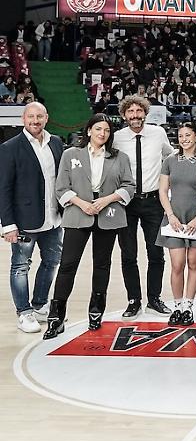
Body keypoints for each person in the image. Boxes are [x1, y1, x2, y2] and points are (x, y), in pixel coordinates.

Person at [43, 114, 136, 339]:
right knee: (67, 265)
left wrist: (107, 199)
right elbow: (61, 188)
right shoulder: (70, 154)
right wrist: (82, 203)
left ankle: (96, 312)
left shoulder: (119, 157)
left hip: (108, 214)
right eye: (98, 129)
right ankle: (56, 318)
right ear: (88, 131)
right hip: (78, 213)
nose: (102, 133)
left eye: (106, 130)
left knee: (102, 265)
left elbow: (129, 186)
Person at [0, 102, 64, 333]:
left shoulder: (56, 142)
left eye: (39, 116)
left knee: (51, 262)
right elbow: (4, 189)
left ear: (46, 118)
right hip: (25, 221)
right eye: (31, 117)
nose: (35, 121)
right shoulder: (10, 147)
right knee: (20, 266)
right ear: (23, 119)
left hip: (53, 219)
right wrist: (8, 225)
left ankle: (38, 305)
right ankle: (24, 312)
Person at [114, 95, 174, 318]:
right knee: (128, 254)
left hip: (153, 201)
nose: (135, 115)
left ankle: (154, 299)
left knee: (156, 253)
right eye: (131, 112)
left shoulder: (158, 133)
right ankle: (133, 300)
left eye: (139, 111)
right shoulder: (118, 138)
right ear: (124, 115)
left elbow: (170, 156)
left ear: (145, 113)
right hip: (126, 202)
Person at [157, 122, 196, 326]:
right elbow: (163, 191)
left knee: (193, 263)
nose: (184, 139)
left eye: (188, 135)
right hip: (175, 219)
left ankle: (188, 306)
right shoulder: (170, 160)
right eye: (181, 136)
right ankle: (177, 306)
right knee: (177, 264)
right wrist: (170, 215)